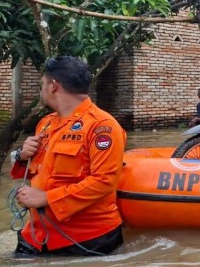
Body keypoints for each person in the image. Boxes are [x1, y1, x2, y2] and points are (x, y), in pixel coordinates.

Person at [10, 56, 126, 256]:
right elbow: (40, 172)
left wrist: (47, 198)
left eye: (42, 85)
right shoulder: (45, 124)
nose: (41, 90)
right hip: (37, 235)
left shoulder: (102, 126)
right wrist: (22, 156)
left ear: (53, 86)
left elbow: (105, 181)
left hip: (86, 239)